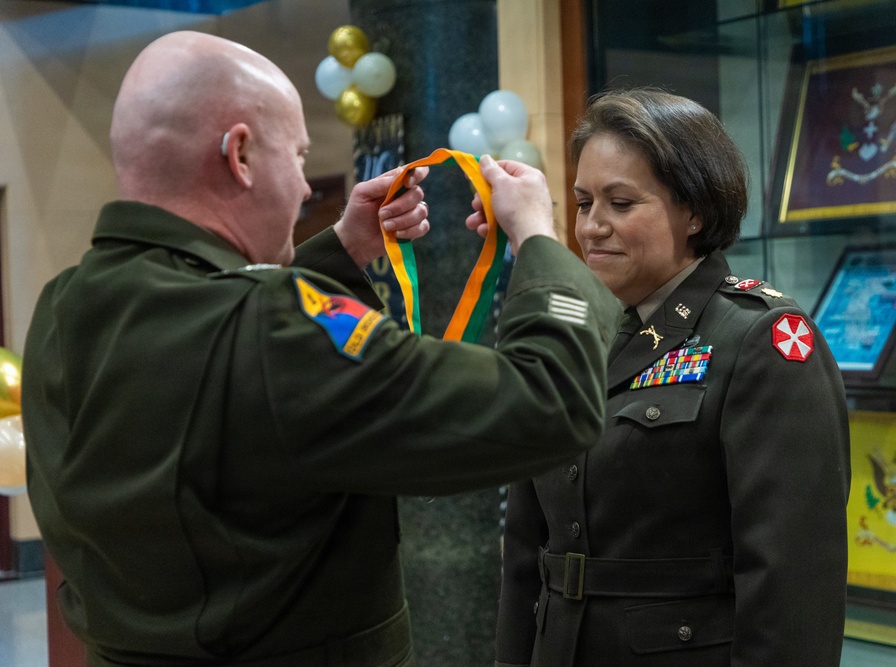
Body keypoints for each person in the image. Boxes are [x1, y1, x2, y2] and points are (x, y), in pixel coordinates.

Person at [21, 31, 621, 667]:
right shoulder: (272, 330)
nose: (307, 188)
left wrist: (342, 250)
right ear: (241, 154)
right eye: (299, 157)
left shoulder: (64, 306)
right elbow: (550, 403)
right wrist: (538, 237)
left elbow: (219, 351)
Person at [494, 88, 851, 666]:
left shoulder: (760, 339)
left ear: (696, 212)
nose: (592, 228)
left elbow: (791, 578)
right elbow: (525, 553)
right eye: (584, 203)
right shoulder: (578, 330)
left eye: (621, 203)